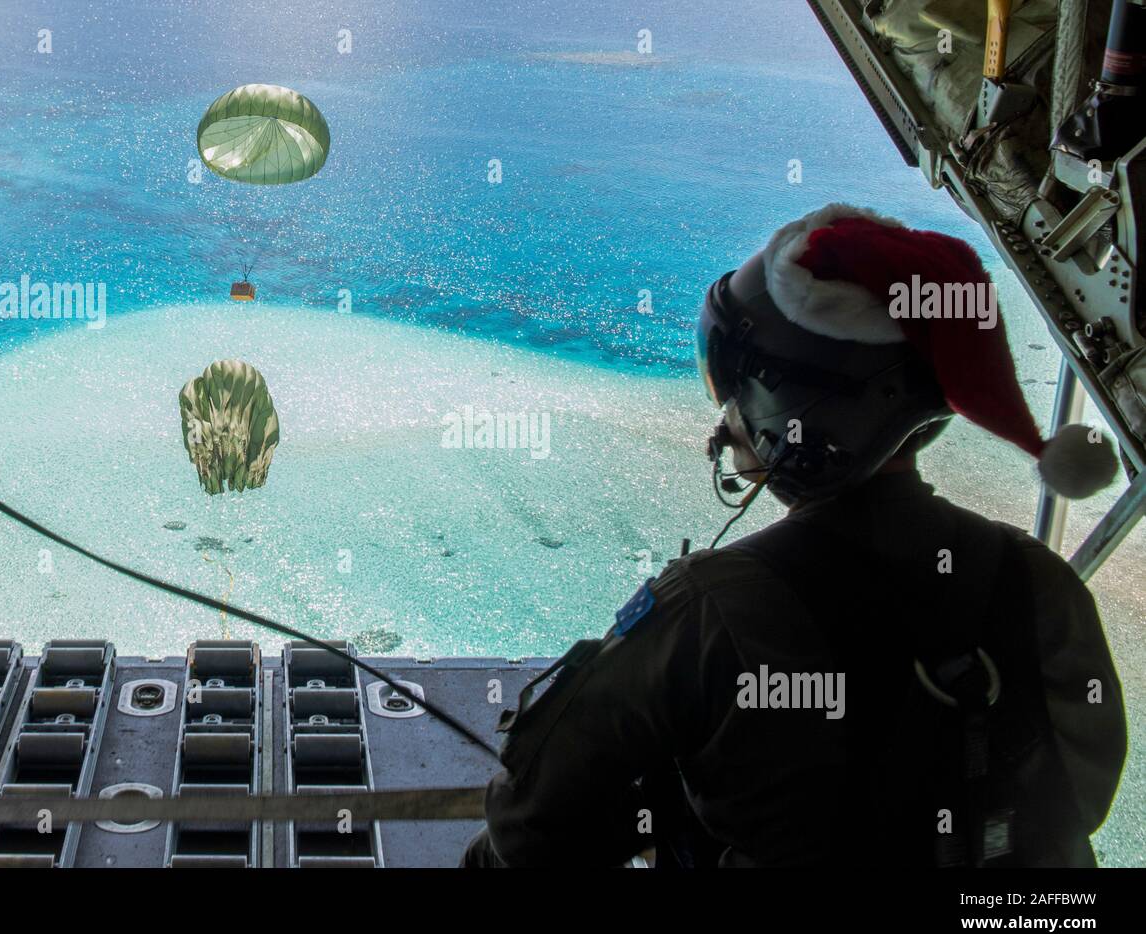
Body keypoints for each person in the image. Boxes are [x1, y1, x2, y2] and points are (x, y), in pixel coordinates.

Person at [462, 204, 1127, 868]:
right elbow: (1080, 798)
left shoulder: (706, 611)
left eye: (733, 382)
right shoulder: (1038, 581)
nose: (726, 416)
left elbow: (529, 831)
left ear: (792, 408)